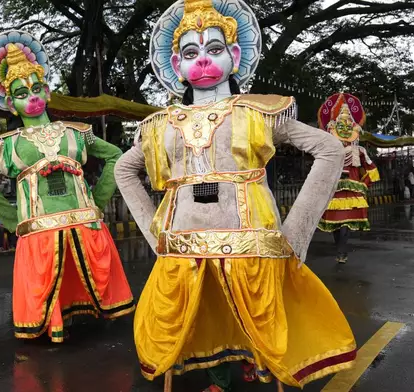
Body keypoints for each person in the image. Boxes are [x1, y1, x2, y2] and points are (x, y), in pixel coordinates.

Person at [115, 1, 355, 390]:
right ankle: (218, 378)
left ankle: (255, 366)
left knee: (255, 311)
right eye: (191, 53)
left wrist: (296, 231)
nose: (204, 60)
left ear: (235, 55)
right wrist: (152, 230)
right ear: (177, 66)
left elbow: (329, 149)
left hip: (251, 238)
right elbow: (123, 169)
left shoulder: (256, 112)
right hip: (184, 243)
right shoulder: (161, 125)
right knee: (198, 312)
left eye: (214, 49)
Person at [0, 31, 134, 343]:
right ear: (11, 104)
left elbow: (115, 155)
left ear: (47, 92)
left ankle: (84, 315)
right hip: (40, 229)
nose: (31, 97)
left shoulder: (76, 133)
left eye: (36, 89)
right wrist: (11, 220)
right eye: (21, 93)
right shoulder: (8, 145)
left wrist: (98, 200)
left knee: (89, 277)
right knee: (49, 285)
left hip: (83, 220)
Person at [317, 93, 380, 263]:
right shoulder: (329, 151)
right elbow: (320, 170)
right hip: (334, 191)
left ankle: (341, 252)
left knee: (344, 224)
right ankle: (340, 249)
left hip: (350, 193)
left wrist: (363, 185)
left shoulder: (358, 151)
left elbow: (372, 171)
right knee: (335, 224)